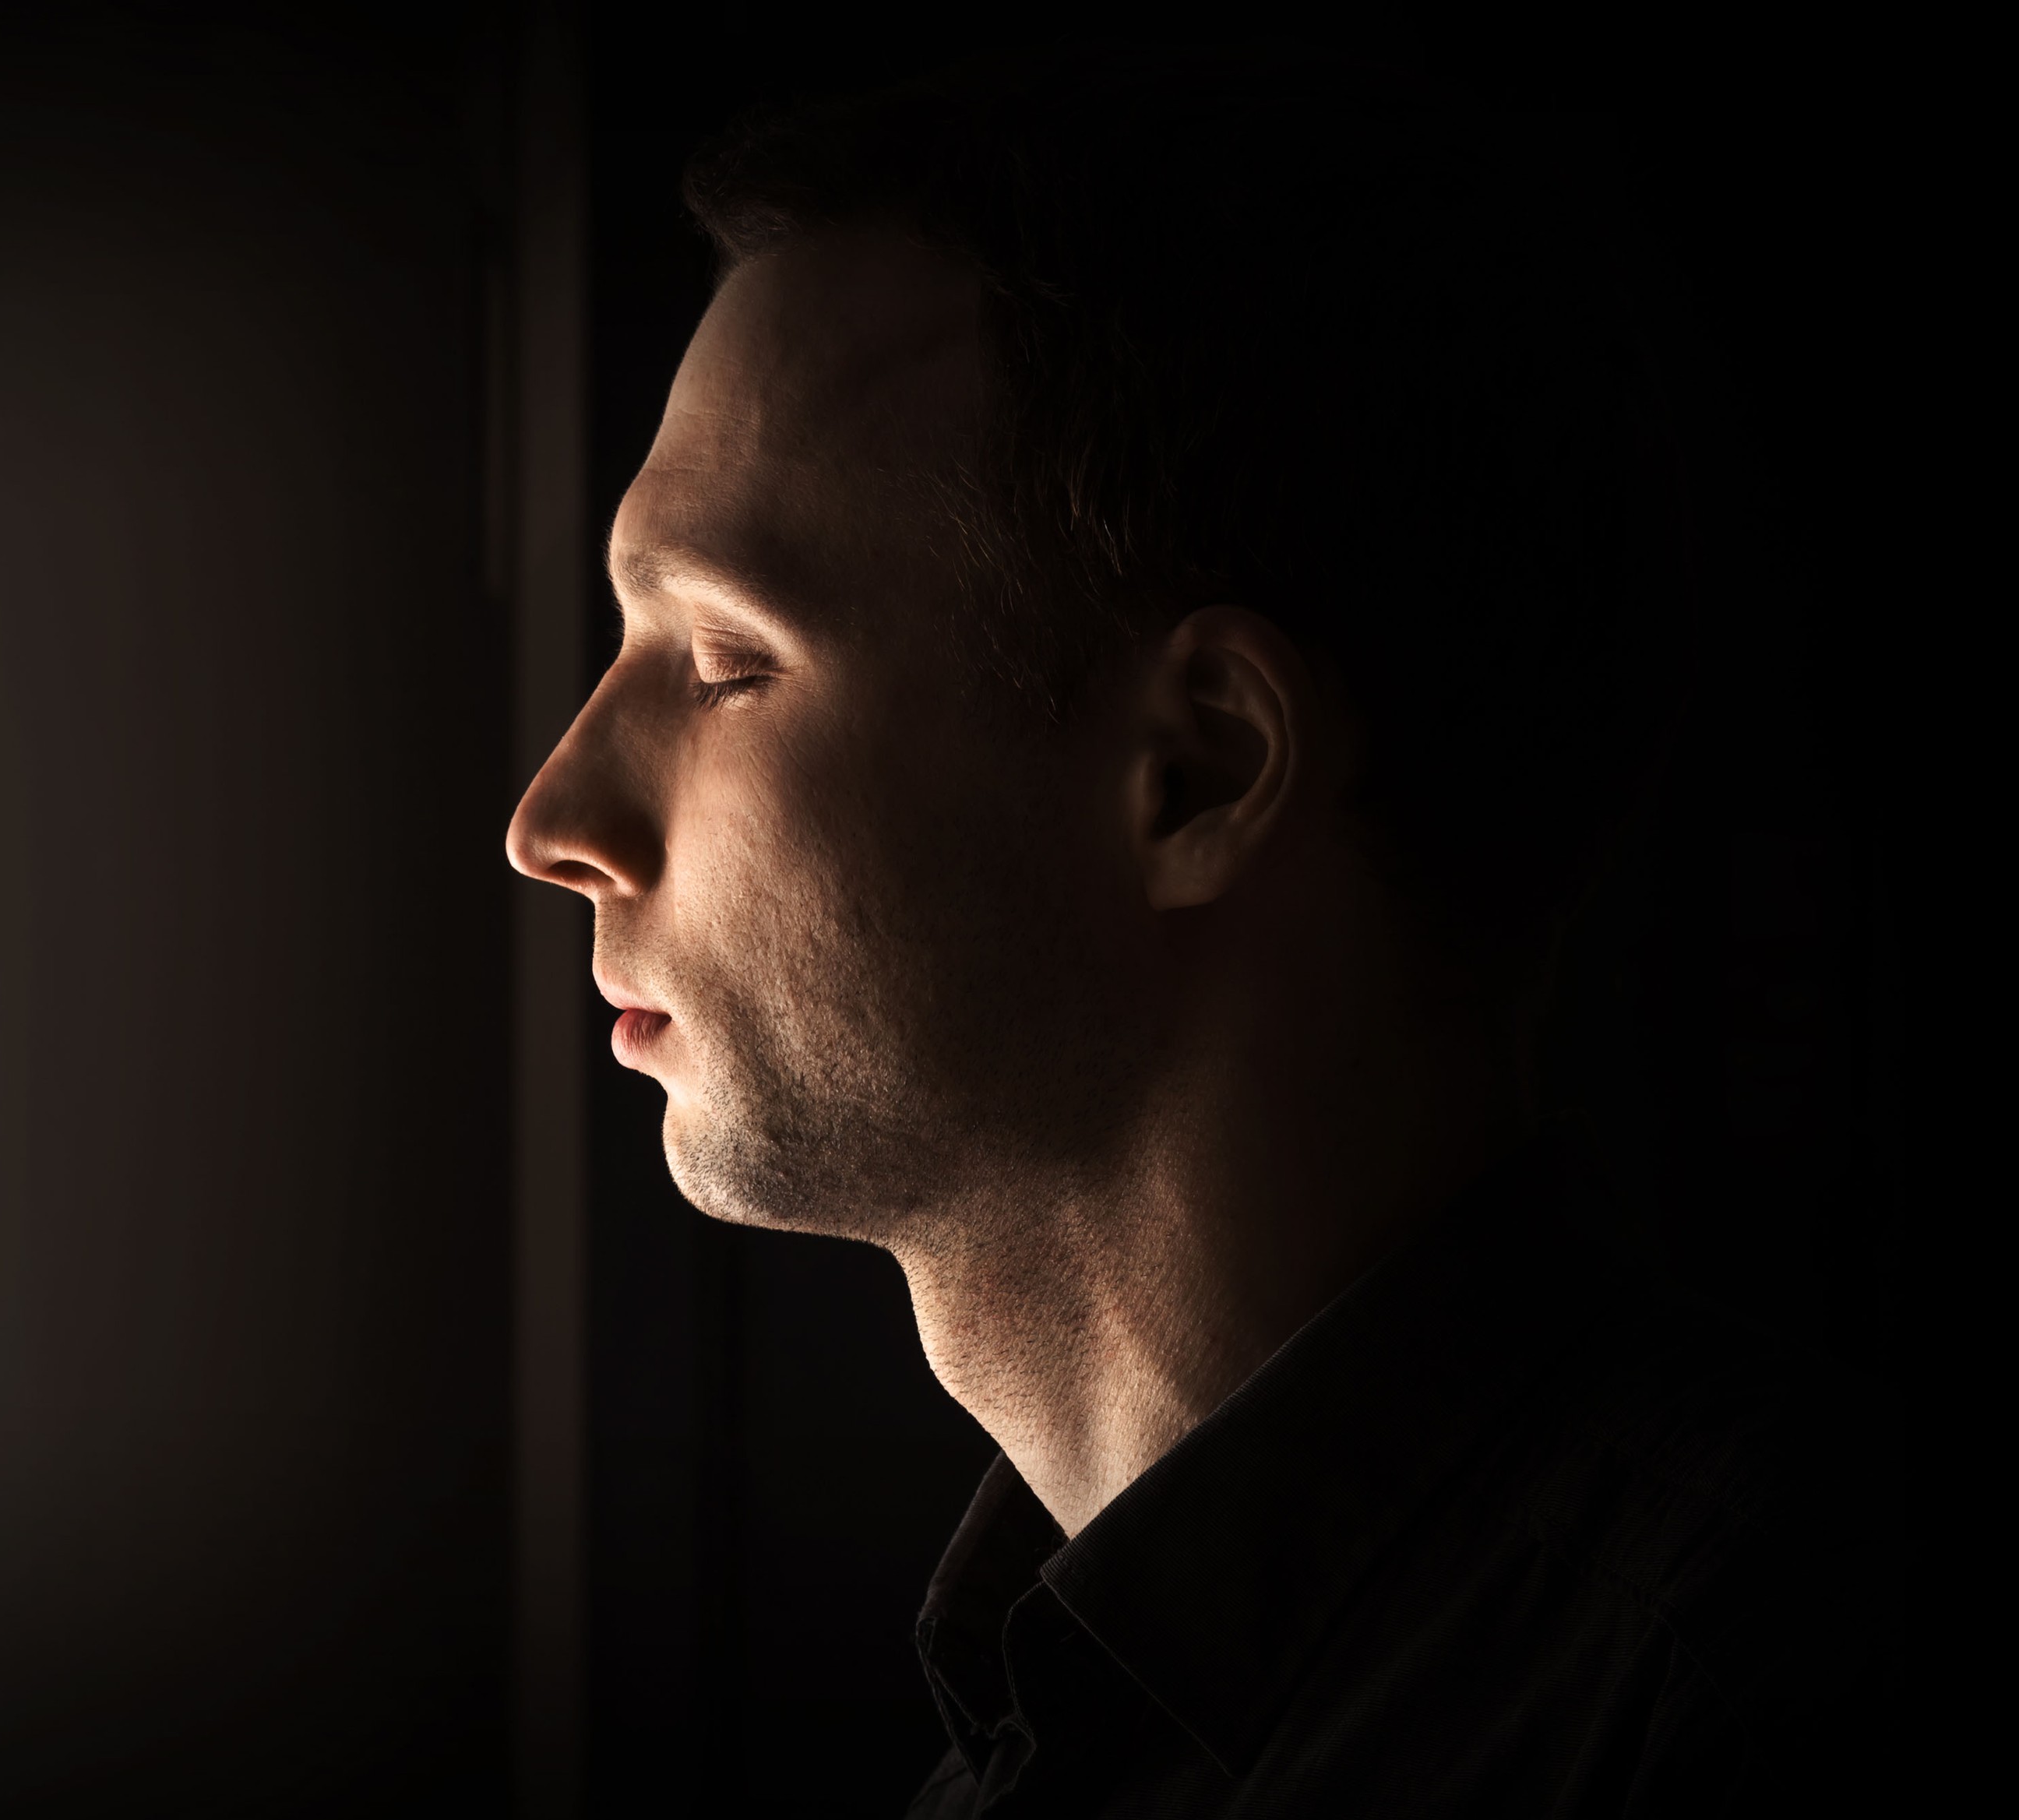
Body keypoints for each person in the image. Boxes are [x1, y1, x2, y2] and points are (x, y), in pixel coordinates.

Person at [506, 52, 1893, 1818]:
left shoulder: (1746, 1705)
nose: (552, 823)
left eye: (718, 663)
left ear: (1197, 769)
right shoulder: (1024, 1748)